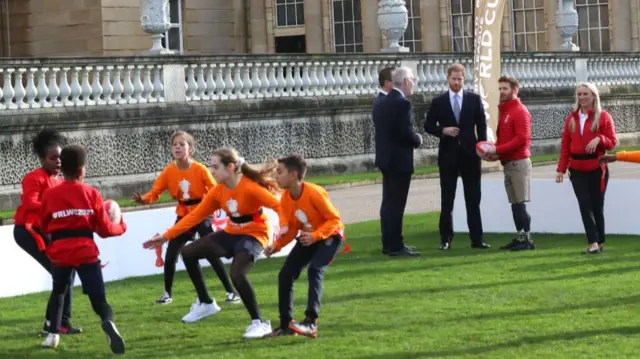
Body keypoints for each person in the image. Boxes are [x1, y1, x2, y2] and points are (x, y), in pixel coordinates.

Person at [143, 147, 280, 339]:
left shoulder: (250, 187)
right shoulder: (217, 192)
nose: (212, 171)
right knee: (188, 252)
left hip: (256, 233)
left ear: (230, 167)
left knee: (237, 273)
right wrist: (166, 236)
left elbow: (279, 206)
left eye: (215, 167)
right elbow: (195, 216)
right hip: (231, 232)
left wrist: (283, 234)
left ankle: (259, 323)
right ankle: (206, 303)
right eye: (211, 167)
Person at [132, 131, 239, 305]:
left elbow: (214, 190)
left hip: (202, 212)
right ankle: (167, 293)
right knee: (172, 251)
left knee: (210, 251)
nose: (178, 147)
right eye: (175, 144)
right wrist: (144, 199)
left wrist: (219, 206)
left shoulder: (200, 169)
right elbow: (156, 192)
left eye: (182, 144)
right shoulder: (169, 171)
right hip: (183, 214)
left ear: (190, 149)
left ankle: (231, 292)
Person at [39, 145, 127, 354]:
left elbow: (43, 224)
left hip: (60, 252)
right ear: (81, 171)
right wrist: (121, 226)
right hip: (85, 251)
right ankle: (107, 321)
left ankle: (52, 335)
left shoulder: (50, 194)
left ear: (62, 169)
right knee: (99, 300)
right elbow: (104, 230)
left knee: (59, 290)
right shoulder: (92, 193)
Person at [264, 154, 345, 338]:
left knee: (315, 270)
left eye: (280, 172)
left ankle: (311, 323)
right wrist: (276, 246)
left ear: (293, 175)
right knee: (285, 275)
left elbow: (335, 220)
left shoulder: (314, 192)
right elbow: (292, 229)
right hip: (308, 238)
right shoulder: (285, 197)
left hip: (329, 237)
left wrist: (316, 235)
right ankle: (286, 325)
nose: (276, 176)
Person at [12, 129, 82, 335]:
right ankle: (55, 323)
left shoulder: (61, 180)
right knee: (62, 274)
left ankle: (60, 322)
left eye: (60, 157)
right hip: (29, 232)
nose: (58, 162)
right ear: (42, 159)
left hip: (47, 232)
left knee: (67, 273)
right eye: (53, 158)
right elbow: (30, 202)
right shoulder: (35, 178)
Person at [424, 63, 490, 250]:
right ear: (448, 78)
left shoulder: (473, 99)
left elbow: (482, 125)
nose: (457, 82)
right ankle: (445, 239)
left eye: (460, 79)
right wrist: (442, 130)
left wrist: (482, 147)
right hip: (448, 156)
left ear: (464, 78)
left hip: (470, 156)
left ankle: (477, 240)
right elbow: (428, 125)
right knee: (447, 200)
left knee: (473, 200)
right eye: (454, 79)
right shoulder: (438, 101)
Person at [556, 83, 617, 254]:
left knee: (597, 205)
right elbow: (565, 147)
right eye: (579, 94)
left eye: (585, 94)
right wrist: (560, 169)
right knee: (584, 205)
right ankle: (593, 243)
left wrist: (600, 139)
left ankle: (600, 240)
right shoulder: (571, 119)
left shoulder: (603, 117)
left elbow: (612, 142)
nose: (582, 97)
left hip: (597, 168)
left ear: (593, 96)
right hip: (576, 169)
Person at [372, 66, 422, 257]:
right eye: (413, 81)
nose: (414, 85)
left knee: (388, 204)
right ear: (406, 81)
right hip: (399, 160)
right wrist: (417, 139)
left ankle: (390, 242)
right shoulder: (402, 104)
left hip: (386, 158)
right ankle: (395, 245)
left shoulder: (380, 101)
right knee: (396, 205)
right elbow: (405, 133)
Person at [484, 76, 535, 251]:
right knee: (515, 204)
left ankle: (527, 239)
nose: (501, 92)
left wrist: (497, 150)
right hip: (509, 163)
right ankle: (520, 237)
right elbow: (507, 140)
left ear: (515, 90)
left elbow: (522, 139)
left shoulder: (520, 111)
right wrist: (495, 154)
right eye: (499, 89)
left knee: (520, 203)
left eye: (504, 89)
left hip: (519, 162)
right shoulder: (506, 111)